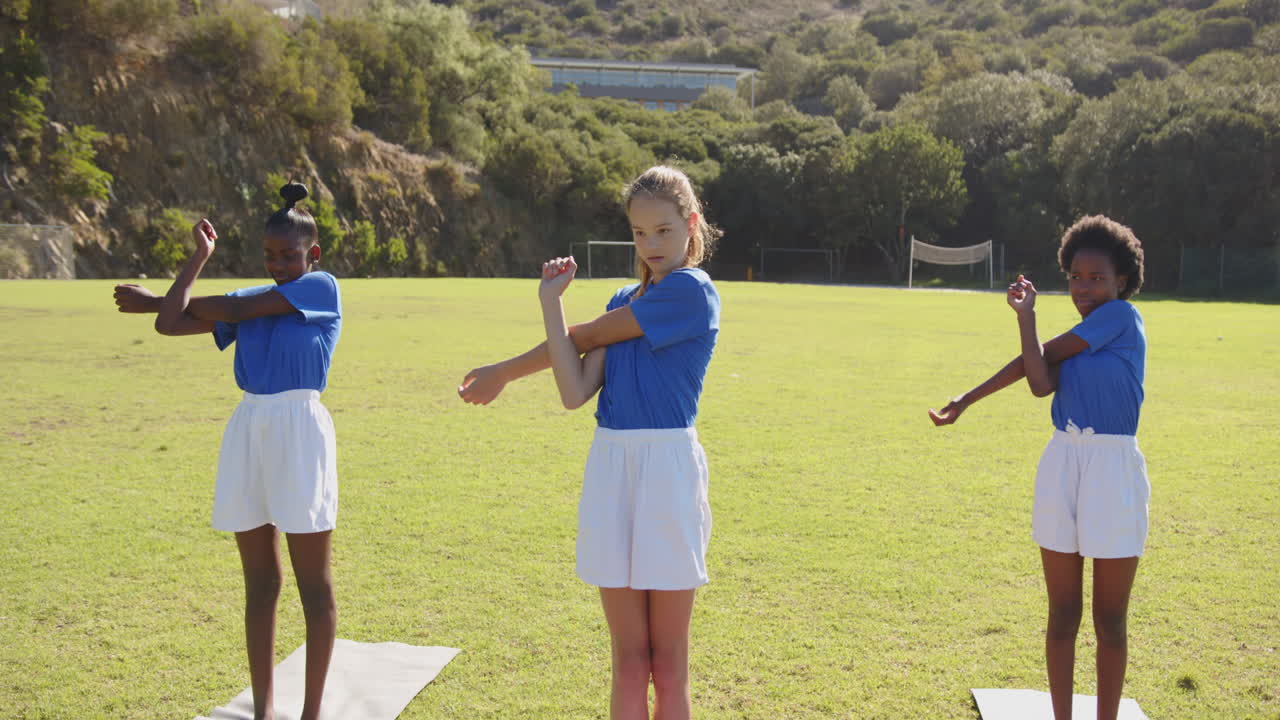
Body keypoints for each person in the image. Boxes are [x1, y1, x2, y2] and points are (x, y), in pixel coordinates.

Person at [460, 166, 721, 720]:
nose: (651, 244)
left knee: (668, 663)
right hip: (612, 467)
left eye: (664, 230)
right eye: (639, 232)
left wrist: (504, 371)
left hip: (667, 470)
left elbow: (586, 338)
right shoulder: (623, 296)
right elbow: (574, 390)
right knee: (629, 661)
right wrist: (550, 303)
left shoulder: (692, 292)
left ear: (691, 223)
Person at [113, 182, 342, 720]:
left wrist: (152, 297)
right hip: (249, 428)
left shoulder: (320, 288)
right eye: (270, 255)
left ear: (313, 254)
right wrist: (198, 258)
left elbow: (178, 310)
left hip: (300, 429)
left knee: (315, 585)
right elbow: (171, 324)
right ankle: (263, 711)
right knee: (261, 583)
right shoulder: (245, 306)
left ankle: (311, 714)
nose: (280, 264)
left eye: (290, 255)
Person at [930, 215, 1149, 720]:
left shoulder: (1121, 317)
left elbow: (1044, 358)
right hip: (1062, 463)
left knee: (1109, 620)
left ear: (1122, 280)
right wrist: (1022, 322)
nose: (1084, 287)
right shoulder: (1081, 333)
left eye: (1097, 277)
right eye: (1075, 276)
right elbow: (1039, 381)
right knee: (1062, 615)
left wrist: (970, 394)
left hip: (1112, 470)